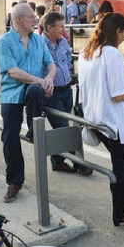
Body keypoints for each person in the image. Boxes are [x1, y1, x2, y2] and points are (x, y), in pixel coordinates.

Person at [78, 12, 124, 231]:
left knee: (122, 165)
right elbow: (117, 94)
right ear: (117, 31)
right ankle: (122, 213)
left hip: (95, 119)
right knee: (122, 166)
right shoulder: (112, 54)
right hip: (113, 121)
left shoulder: (87, 53)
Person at [0, 3, 56, 203]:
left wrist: (50, 79)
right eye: (31, 17)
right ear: (18, 19)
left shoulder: (38, 40)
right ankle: (15, 181)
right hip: (12, 92)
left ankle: (33, 131)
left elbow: (51, 64)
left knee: (36, 89)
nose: (35, 20)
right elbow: (13, 72)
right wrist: (41, 80)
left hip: (35, 92)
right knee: (9, 137)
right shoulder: (4, 42)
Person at [40, 11, 93, 176]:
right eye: (61, 26)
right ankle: (78, 162)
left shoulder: (63, 42)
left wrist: (67, 73)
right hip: (51, 92)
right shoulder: (40, 44)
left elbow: (68, 59)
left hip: (65, 89)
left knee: (62, 126)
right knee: (63, 126)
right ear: (49, 28)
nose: (64, 29)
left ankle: (57, 161)